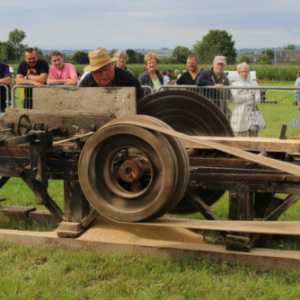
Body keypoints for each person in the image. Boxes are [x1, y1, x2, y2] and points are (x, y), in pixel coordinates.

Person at [230, 62, 261, 137]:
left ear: (248, 72)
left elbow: (257, 100)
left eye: (246, 71)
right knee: (239, 136)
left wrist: (243, 100)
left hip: (252, 114)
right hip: (239, 115)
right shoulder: (235, 84)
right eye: (242, 71)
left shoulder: (254, 84)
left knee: (253, 137)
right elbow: (236, 100)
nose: (244, 73)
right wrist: (249, 96)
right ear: (239, 72)